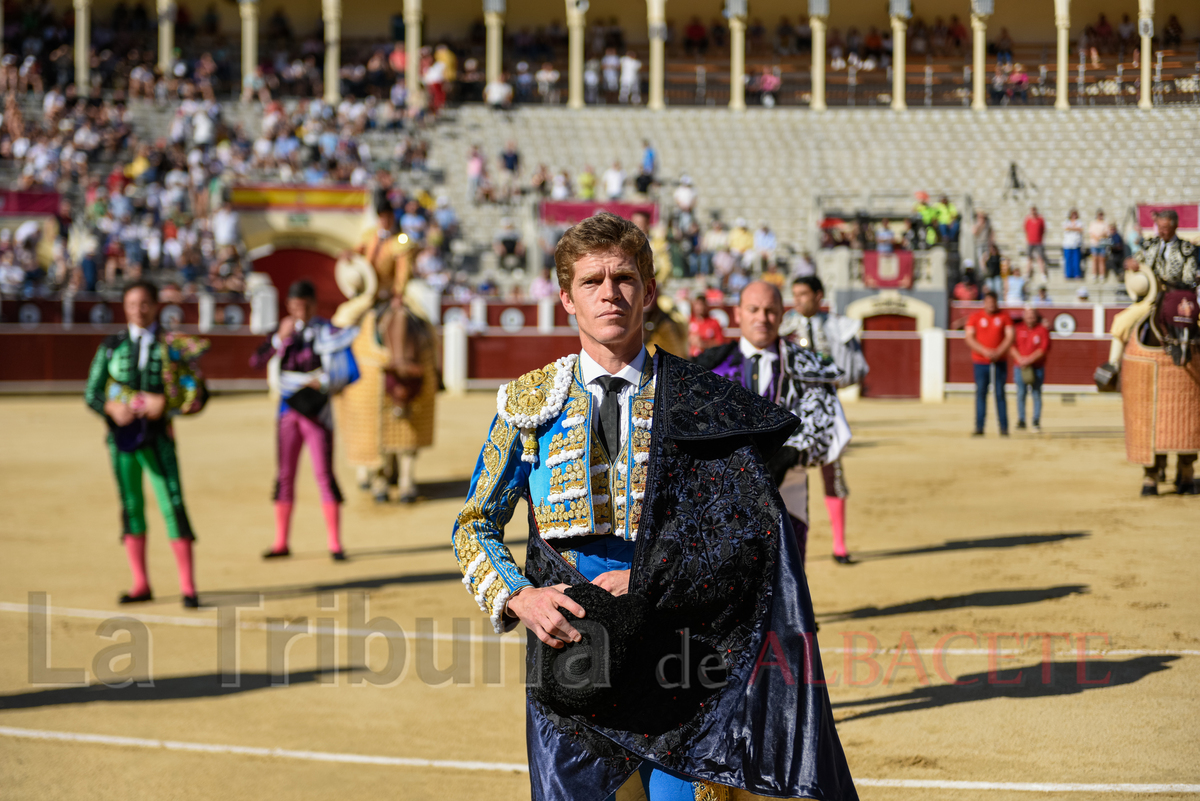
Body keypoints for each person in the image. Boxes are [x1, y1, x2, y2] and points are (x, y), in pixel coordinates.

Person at [451, 212, 856, 800]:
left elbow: (749, 539)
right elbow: (474, 525)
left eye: (624, 279)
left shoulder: (702, 402)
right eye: (592, 282)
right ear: (566, 298)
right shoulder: (528, 402)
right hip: (570, 641)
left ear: (649, 292)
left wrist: (656, 576)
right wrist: (520, 594)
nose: (609, 293)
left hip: (679, 636)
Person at [85, 281, 208, 608]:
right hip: (120, 441)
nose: (138, 310)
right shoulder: (111, 346)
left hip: (159, 439)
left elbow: (198, 397)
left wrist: (165, 404)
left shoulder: (174, 347)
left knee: (173, 504)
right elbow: (92, 394)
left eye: (144, 303)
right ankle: (140, 584)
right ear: (124, 307)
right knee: (130, 506)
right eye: (131, 304)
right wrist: (111, 407)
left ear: (156, 306)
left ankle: (188, 587)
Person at [249, 280, 359, 560]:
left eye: (305, 305)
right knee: (285, 475)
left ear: (314, 304)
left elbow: (350, 371)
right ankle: (281, 542)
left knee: (324, 474)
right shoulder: (284, 331)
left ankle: (335, 544)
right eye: (295, 306)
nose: (300, 311)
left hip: (318, 412)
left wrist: (326, 382)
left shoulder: (328, 331)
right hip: (288, 412)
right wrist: (279, 339)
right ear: (288, 306)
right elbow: (255, 362)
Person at [337, 207, 439, 503]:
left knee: (428, 328)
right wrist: (347, 256)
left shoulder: (401, 241)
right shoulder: (368, 236)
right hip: (368, 296)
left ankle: (437, 369)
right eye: (380, 216)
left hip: (395, 297)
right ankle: (338, 372)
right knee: (342, 322)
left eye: (386, 217)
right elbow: (356, 256)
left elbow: (404, 268)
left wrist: (398, 292)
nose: (383, 221)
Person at [780, 275, 866, 563]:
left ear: (819, 296)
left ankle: (839, 546)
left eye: (804, 294)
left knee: (834, 473)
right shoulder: (784, 327)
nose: (798, 300)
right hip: (789, 409)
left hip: (824, 411)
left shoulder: (838, 326)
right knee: (785, 475)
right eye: (795, 294)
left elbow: (854, 371)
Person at [965, 291, 1015, 436]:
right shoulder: (975, 317)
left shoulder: (1004, 316)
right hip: (980, 361)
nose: (991, 305)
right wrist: (984, 351)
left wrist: (999, 351)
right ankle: (979, 427)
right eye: (988, 302)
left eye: (993, 302)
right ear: (984, 303)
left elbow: (1010, 336)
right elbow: (969, 337)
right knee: (981, 393)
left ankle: (1004, 428)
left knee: (1000, 393)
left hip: (999, 361)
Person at [1010, 305, 1050, 432]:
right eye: (1028, 315)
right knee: (1021, 393)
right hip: (1020, 366)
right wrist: (1021, 359)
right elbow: (1012, 346)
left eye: (1032, 316)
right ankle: (1021, 420)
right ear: (1024, 317)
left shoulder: (1042, 330)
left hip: (1036, 366)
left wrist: (1028, 359)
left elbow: (1043, 349)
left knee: (1036, 393)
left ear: (1036, 317)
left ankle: (1036, 420)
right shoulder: (1018, 329)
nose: (1030, 318)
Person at [1025, 206, 1047, 282]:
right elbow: (1026, 228)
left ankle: (1043, 274)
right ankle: (1028, 273)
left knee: (1040, 258)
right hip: (1030, 241)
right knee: (1029, 258)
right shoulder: (1028, 219)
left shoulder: (1040, 219)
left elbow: (1043, 229)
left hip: (1038, 241)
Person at [1062, 209, 1084, 280]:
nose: (1074, 216)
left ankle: (1076, 274)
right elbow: (1066, 228)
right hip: (1068, 244)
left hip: (1076, 244)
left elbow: (1080, 229)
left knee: (1076, 260)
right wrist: (1075, 228)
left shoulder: (1079, 222)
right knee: (1068, 260)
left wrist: (1072, 228)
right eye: (1072, 214)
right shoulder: (1066, 222)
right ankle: (1068, 274)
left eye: (1075, 214)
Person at [1088, 210, 1109, 283]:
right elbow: (1091, 233)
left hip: (1102, 244)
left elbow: (1107, 233)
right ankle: (1094, 275)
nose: (1100, 216)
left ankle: (1102, 275)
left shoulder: (1105, 223)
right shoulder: (1093, 223)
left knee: (1101, 260)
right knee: (1095, 259)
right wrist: (1097, 238)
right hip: (1094, 243)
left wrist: (1101, 236)